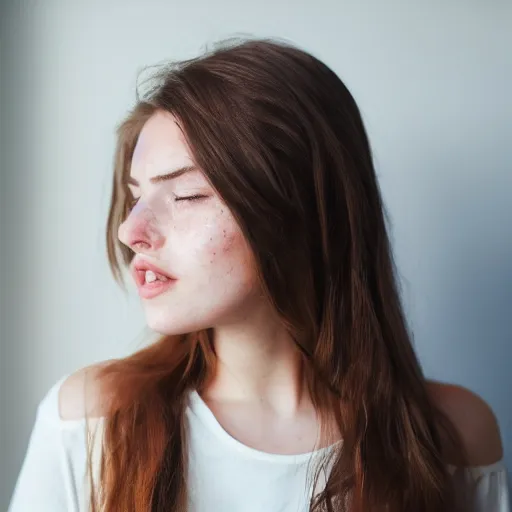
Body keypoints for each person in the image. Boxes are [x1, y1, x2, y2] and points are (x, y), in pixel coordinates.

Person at [8, 37, 510, 512]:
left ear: (300, 210)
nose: (129, 230)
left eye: (185, 194)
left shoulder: (452, 436)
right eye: (136, 195)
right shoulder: (91, 423)